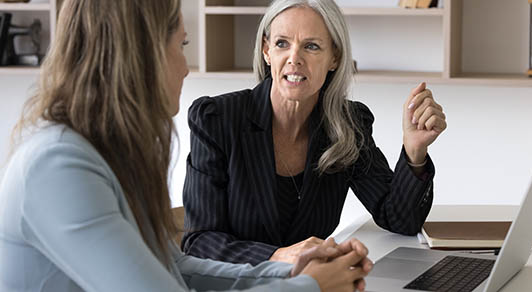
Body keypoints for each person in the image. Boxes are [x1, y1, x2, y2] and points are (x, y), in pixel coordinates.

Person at [0, 0, 374, 291]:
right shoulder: (59, 168)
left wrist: (293, 268)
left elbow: (176, 267)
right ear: (138, 56)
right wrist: (309, 286)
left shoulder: (99, 156)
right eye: (181, 45)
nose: (186, 68)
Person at [182, 0, 447, 266]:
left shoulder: (348, 124)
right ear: (266, 50)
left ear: (335, 58)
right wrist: (279, 256)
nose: (294, 58)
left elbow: (399, 218)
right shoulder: (217, 119)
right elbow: (199, 241)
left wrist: (415, 151)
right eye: (282, 43)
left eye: (311, 46)